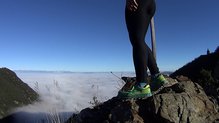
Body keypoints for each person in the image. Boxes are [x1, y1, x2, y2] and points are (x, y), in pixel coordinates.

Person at [118, 0, 168, 99]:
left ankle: (142, 85)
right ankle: (156, 76)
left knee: (136, 39)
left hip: (139, 2)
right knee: (139, 40)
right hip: (150, 4)